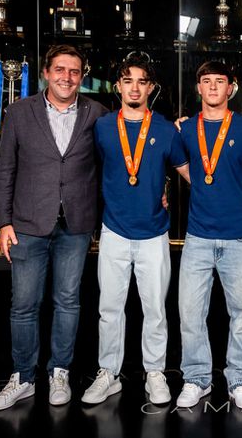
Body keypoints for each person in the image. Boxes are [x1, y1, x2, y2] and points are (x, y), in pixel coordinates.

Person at [0, 44, 108, 411]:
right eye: (60, 69)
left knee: (67, 302)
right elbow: (5, 170)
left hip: (76, 225)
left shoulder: (97, 113)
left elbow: (113, 165)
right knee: (24, 305)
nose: (66, 77)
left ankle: (60, 372)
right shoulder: (19, 112)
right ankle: (23, 377)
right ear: (45, 72)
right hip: (27, 224)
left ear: (82, 76)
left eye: (74, 71)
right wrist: (4, 222)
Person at [81, 52, 190, 406]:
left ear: (151, 88)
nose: (134, 88)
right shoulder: (102, 127)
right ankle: (108, 373)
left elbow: (189, 173)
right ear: (118, 86)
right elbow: (90, 171)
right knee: (109, 308)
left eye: (142, 82)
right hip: (114, 230)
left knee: (155, 309)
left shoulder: (165, 129)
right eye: (128, 81)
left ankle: (154, 372)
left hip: (154, 233)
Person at [176, 60, 242, 410]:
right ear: (198, 88)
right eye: (206, 81)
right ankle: (197, 378)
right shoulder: (184, 129)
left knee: (241, 314)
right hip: (198, 235)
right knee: (191, 312)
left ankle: (239, 379)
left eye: (219, 81)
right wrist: (204, 184)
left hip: (240, 236)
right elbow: (182, 166)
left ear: (231, 87)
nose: (212, 87)